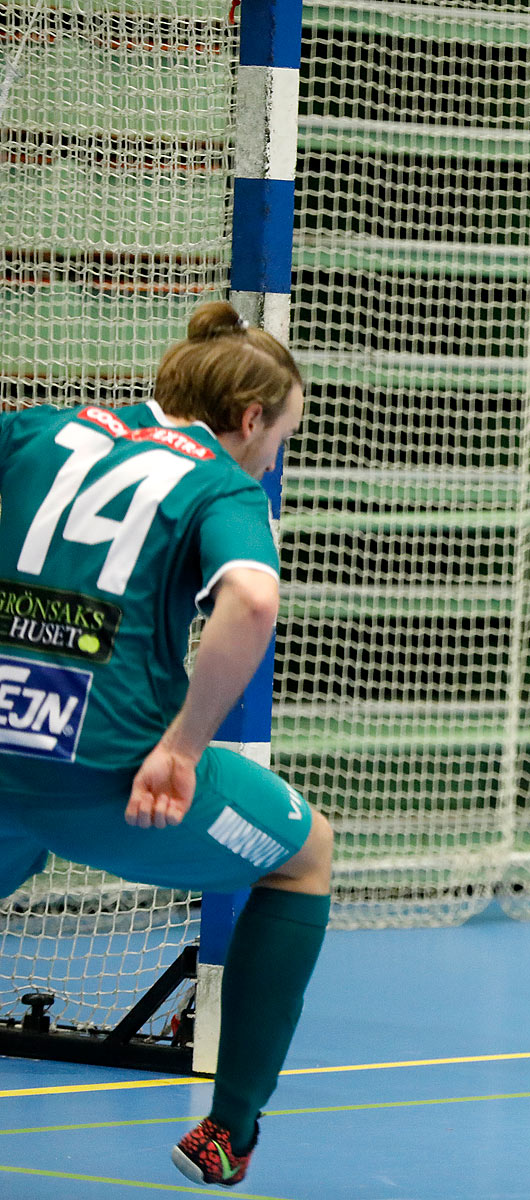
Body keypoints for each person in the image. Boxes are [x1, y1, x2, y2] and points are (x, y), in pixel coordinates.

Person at [0, 302, 333, 1188]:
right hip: (103, 774)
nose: (273, 459)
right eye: (280, 438)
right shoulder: (220, 484)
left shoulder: (43, 428)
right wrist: (183, 747)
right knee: (305, 857)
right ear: (253, 419)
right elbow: (253, 601)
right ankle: (226, 1131)